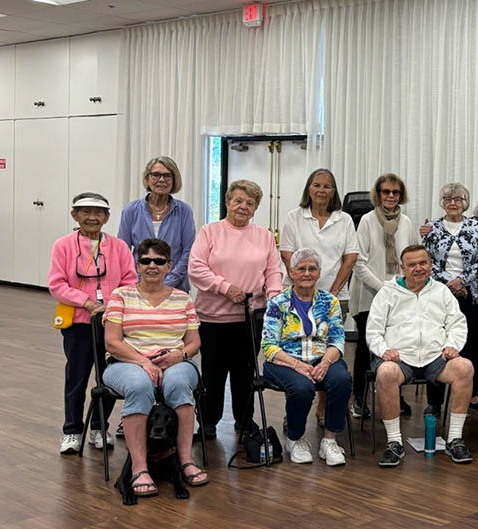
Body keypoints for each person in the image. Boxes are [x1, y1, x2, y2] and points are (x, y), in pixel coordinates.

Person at [102, 238, 207, 494]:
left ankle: (185, 460)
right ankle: (139, 468)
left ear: (169, 266)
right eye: (146, 261)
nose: (152, 266)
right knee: (139, 385)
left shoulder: (183, 299)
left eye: (159, 261)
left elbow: (194, 342)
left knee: (179, 383)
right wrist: (143, 362)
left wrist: (179, 355)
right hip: (126, 362)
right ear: (137, 265)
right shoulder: (121, 295)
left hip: (174, 361)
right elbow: (112, 342)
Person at [188, 180, 283, 438]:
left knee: (245, 373)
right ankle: (208, 422)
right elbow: (196, 268)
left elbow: (273, 271)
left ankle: (244, 420)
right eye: (238, 200)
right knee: (212, 374)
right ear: (228, 202)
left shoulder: (264, 236)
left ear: (255, 208)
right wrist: (225, 288)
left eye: (250, 203)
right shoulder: (210, 232)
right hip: (213, 318)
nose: (243, 206)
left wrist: (275, 298)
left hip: (250, 317)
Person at [365, 245, 475, 467]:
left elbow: (457, 323)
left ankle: (454, 439)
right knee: (385, 373)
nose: (418, 268)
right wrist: (384, 350)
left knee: (465, 368)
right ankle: (394, 443)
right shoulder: (387, 292)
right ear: (402, 267)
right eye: (412, 264)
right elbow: (373, 330)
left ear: (431, 265)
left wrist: (452, 345)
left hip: (436, 356)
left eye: (423, 263)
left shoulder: (442, 291)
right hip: (399, 358)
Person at [48, 193, 137, 454]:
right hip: (78, 323)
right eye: (85, 212)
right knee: (76, 377)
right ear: (74, 215)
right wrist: (86, 303)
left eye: (98, 213)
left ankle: (99, 427)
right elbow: (57, 284)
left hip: (111, 322)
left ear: (107, 217)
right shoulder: (63, 245)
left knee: (108, 378)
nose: (92, 217)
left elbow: (130, 281)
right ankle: (72, 431)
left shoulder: (119, 247)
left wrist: (114, 306)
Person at [260, 249, 350, 466]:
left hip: (322, 357)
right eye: (301, 269)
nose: (307, 273)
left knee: (342, 379)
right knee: (302, 387)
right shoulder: (277, 303)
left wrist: (326, 362)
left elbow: (337, 340)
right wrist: (297, 365)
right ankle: (295, 438)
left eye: (312, 269)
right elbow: (268, 346)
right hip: (283, 360)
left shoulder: (330, 302)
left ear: (319, 273)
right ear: (291, 273)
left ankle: (329, 441)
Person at [350, 173, 417, 418]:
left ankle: (395, 396)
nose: (390, 196)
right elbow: (359, 262)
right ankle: (359, 398)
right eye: (386, 192)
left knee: (395, 346)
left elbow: (411, 259)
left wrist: (400, 289)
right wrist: (383, 288)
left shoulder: (407, 223)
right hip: (369, 295)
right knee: (365, 348)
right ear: (378, 194)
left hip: (399, 297)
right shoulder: (367, 221)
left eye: (395, 192)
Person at [420, 182, 478, 402]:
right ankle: (435, 402)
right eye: (448, 199)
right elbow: (427, 262)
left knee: (470, 346)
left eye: (458, 199)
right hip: (439, 294)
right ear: (442, 203)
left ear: (465, 203)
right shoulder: (433, 228)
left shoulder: (476, 227)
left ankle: (467, 398)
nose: (453, 203)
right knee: (438, 346)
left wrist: (462, 281)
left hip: (469, 295)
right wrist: (450, 283)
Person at [279, 169, 358, 304]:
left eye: (327, 186)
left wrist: (332, 294)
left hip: (336, 296)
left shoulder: (345, 220)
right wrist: (305, 289)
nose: (321, 190)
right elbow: (287, 256)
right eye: (316, 185)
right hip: (299, 296)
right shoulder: (294, 217)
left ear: (333, 192)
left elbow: (351, 259)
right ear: (308, 189)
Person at [117, 156, 196, 291]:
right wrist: (140, 280)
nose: (161, 180)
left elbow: (188, 251)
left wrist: (169, 282)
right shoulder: (131, 209)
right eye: (156, 175)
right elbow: (122, 251)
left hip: (176, 287)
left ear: (174, 180)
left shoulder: (184, 210)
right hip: (138, 286)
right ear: (147, 179)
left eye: (167, 176)